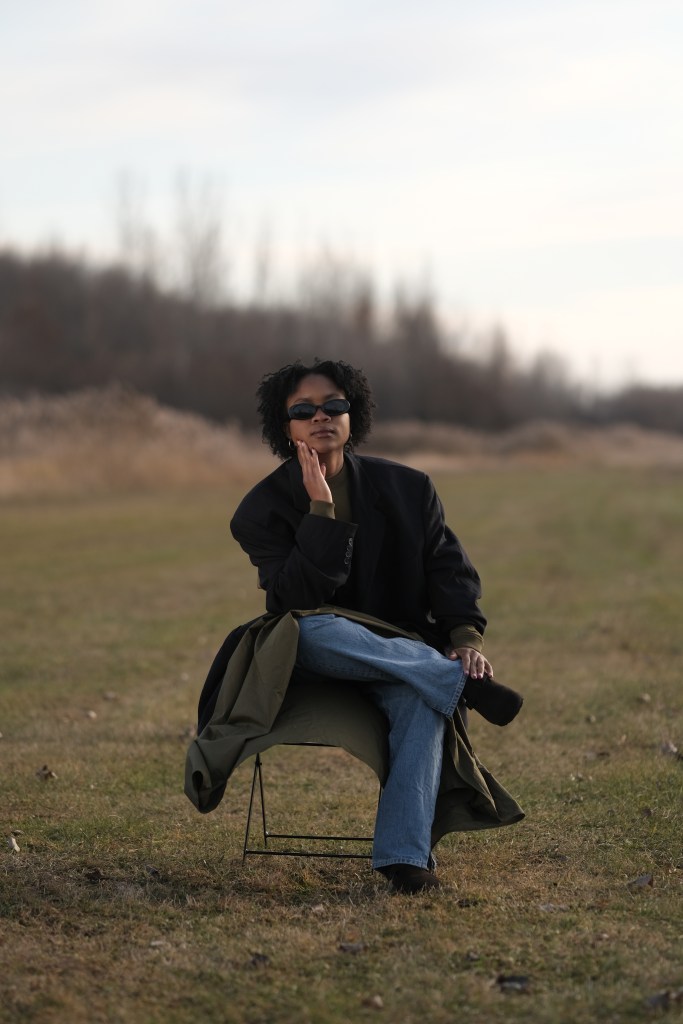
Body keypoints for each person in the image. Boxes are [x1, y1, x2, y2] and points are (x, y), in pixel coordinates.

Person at [185, 359, 524, 894]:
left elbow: (448, 569)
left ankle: (403, 859)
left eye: (333, 405)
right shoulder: (260, 510)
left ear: (352, 414)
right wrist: (320, 510)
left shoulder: (409, 488)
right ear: (286, 427)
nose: (321, 416)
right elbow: (295, 599)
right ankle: (453, 681)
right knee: (306, 628)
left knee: (421, 700)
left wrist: (464, 638)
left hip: (397, 652)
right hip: (312, 654)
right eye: (304, 410)